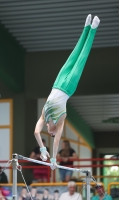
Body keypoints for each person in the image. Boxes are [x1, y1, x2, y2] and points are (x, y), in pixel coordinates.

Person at [34, 14, 100, 169]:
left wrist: (43, 150)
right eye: (52, 134)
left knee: (73, 55)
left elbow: (37, 133)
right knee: (81, 58)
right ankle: (93, 29)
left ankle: (85, 28)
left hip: (57, 82)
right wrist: (53, 161)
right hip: (69, 87)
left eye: (49, 134)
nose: (51, 134)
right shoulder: (61, 120)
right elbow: (57, 141)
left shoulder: (44, 115)